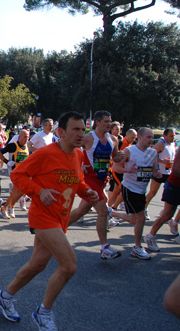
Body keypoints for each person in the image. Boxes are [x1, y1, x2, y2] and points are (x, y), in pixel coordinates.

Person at [0, 111, 98, 330]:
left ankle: (5, 296)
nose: (81, 134)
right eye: (75, 129)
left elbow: (76, 181)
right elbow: (17, 175)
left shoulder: (78, 155)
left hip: (60, 217)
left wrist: (87, 191)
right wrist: (39, 192)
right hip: (42, 216)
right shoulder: (45, 153)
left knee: (38, 264)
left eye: (83, 129)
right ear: (61, 132)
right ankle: (44, 313)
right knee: (69, 265)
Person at [67, 110, 124, 260]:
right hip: (89, 179)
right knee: (103, 211)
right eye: (106, 121)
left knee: (81, 210)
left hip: (101, 180)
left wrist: (122, 157)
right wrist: (79, 165)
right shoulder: (87, 138)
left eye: (110, 121)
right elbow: (69, 149)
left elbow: (115, 158)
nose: (109, 124)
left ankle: (57, 230)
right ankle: (105, 247)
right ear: (97, 123)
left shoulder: (113, 140)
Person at [110, 127, 161, 260]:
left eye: (152, 137)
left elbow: (155, 170)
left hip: (141, 190)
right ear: (140, 137)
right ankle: (137, 248)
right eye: (148, 137)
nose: (151, 140)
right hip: (130, 188)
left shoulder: (153, 153)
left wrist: (157, 173)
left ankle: (110, 212)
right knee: (141, 218)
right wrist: (128, 170)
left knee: (134, 219)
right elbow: (114, 167)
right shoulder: (129, 151)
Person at [144, 128, 176, 219]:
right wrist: (162, 161)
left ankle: (165, 212)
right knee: (153, 192)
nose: (173, 137)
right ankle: (144, 209)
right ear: (165, 136)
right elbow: (150, 155)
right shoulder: (161, 144)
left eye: (173, 135)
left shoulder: (173, 144)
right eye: (171, 136)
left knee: (170, 193)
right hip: (159, 172)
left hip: (169, 173)